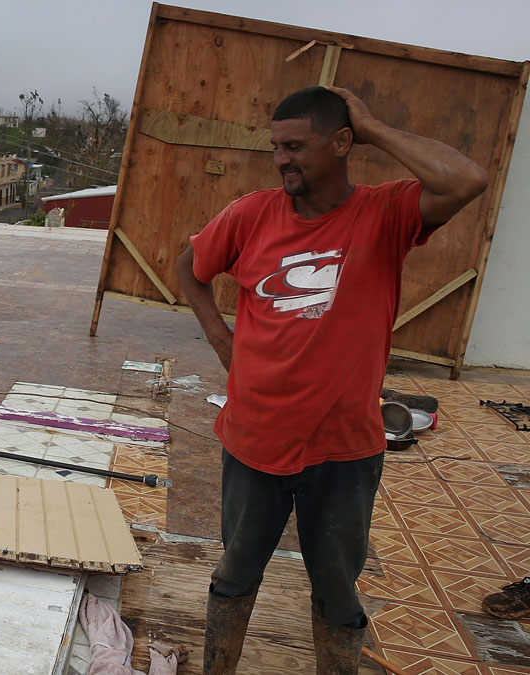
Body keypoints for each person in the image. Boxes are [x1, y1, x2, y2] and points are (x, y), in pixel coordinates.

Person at [175, 85, 488, 673]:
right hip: (254, 438)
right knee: (235, 573)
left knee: (338, 593)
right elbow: (188, 269)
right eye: (276, 148)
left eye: (295, 146)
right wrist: (222, 339)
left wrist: (372, 127)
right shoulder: (251, 213)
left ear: (342, 143)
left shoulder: (386, 213)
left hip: (344, 449)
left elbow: (466, 180)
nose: (282, 160)